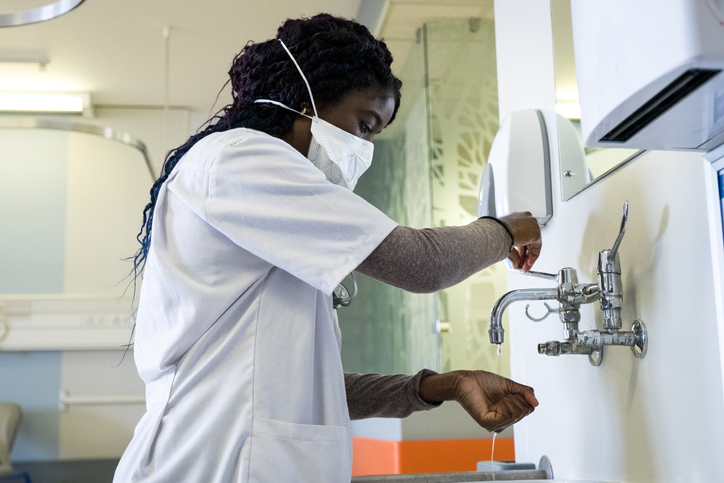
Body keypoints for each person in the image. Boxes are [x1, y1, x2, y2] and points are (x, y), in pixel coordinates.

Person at [114, 13, 542, 483]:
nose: (364, 147)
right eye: (363, 125)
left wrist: (442, 386)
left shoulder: (274, 222)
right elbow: (425, 264)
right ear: (304, 104)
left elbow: (309, 389)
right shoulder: (239, 159)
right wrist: (507, 229)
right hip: (205, 463)